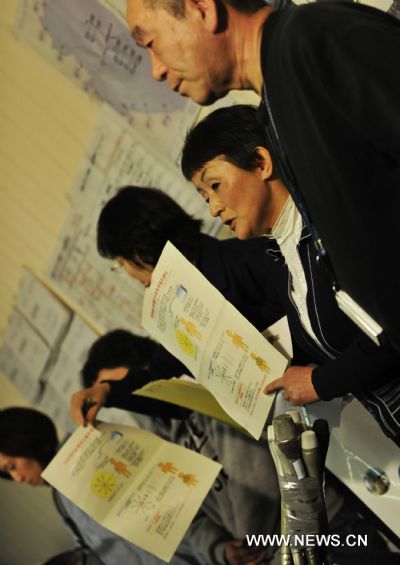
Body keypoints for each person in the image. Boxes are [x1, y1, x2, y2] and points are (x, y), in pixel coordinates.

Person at [125, 0, 400, 355]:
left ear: (201, 9)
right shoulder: (276, 110)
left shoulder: (310, 40)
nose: (156, 71)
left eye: (150, 43)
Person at [180, 104, 400, 446]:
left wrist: (320, 383)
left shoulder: (330, 227)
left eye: (216, 185)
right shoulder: (280, 254)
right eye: (204, 195)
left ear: (261, 163)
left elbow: (390, 326)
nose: (213, 207)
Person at [0, 406, 205, 565]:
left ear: (26, 442)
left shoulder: (83, 456)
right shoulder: (60, 494)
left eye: (12, 466)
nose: (17, 478)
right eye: (8, 473)